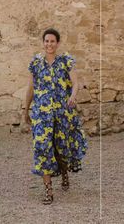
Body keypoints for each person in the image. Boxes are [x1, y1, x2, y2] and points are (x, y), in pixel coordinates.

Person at [24, 28, 87, 205]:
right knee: (42, 147)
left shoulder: (66, 61)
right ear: (43, 43)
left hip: (62, 112)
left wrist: (73, 96)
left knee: (61, 147)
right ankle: (48, 190)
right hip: (41, 114)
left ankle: (64, 173)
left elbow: (75, 83)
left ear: (57, 43)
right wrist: (25, 110)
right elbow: (30, 89)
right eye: (46, 41)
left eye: (52, 41)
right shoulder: (35, 63)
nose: (49, 44)